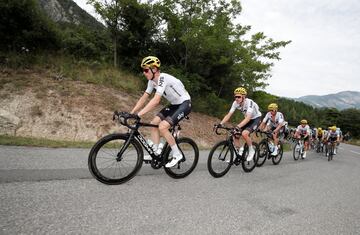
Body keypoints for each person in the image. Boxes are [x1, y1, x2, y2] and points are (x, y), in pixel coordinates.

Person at [130, 56, 192, 168]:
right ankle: (156, 151)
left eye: (146, 70)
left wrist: (139, 114)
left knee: (162, 127)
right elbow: (144, 97)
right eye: (143, 70)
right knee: (154, 123)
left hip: (185, 104)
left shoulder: (162, 77)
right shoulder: (152, 81)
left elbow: (156, 100)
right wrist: (132, 112)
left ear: (154, 69)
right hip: (174, 105)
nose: (144, 73)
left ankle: (177, 155)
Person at [217, 87, 262, 161]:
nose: (236, 98)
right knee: (235, 134)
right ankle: (239, 152)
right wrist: (220, 123)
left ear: (244, 97)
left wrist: (238, 126)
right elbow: (229, 115)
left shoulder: (249, 102)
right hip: (247, 119)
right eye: (235, 96)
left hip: (256, 119)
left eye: (239, 97)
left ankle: (251, 150)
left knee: (244, 133)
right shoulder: (235, 103)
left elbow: (248, 118)